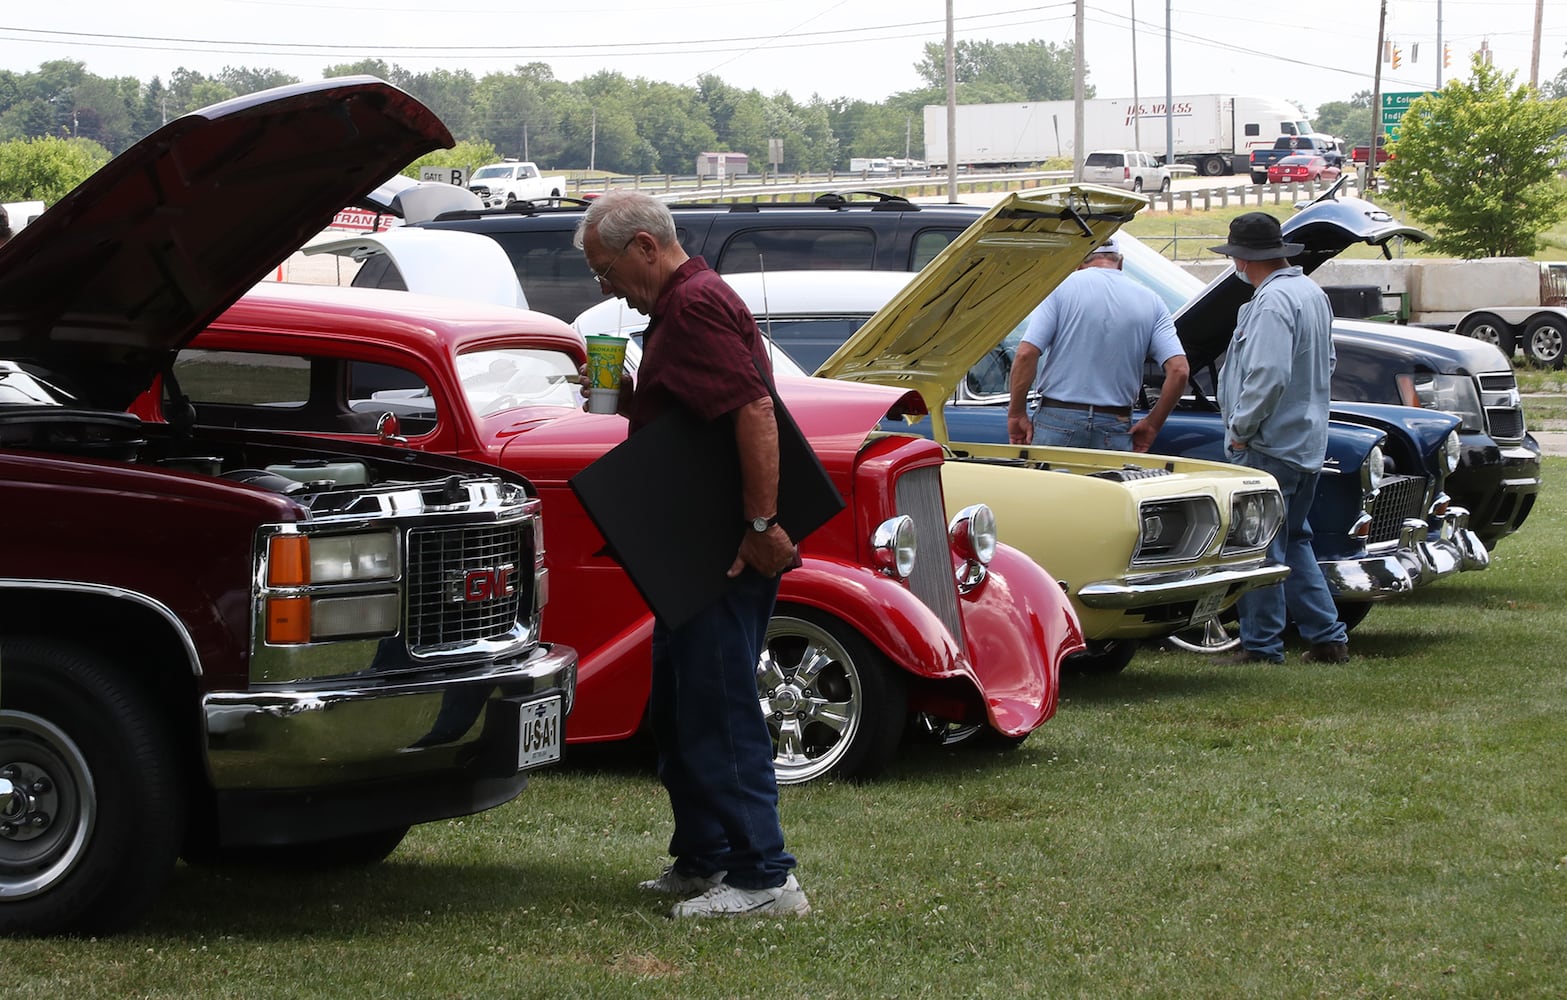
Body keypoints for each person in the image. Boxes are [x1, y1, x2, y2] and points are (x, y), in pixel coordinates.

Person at [573, 190, 810, 919]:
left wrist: (763, 522)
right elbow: (700, 409)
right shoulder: (679, 309)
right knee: (680, 706)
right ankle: (705, 856)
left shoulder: (696, 305)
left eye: (605, 267)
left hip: (722, 548)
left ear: (645, 246)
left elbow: (753, 409)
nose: (604, 285)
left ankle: (765, 877)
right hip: (696, 545)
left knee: (720, 706)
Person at [1209, 212, 1350, 665]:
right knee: (1294, 540)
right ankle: (1327, 636)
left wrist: (1241, 429)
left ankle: (1261, 645)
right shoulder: (1309, 292)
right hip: (1305, 440)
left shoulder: (1271, 302)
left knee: (1258, 545)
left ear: (1244, 260)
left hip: (1268, 444)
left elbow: (1267, 374)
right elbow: (1326, 363)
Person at [1007, 235, 1189, 452]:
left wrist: (1016, 412)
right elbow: (1179, 371)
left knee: (1053, 486)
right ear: (1120, 262)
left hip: (1057, 418)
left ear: (1079, 263)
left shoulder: (1058, 289)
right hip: (1116, 423)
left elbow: (1026, 354)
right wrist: (1153, 423)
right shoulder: (1152, 301)